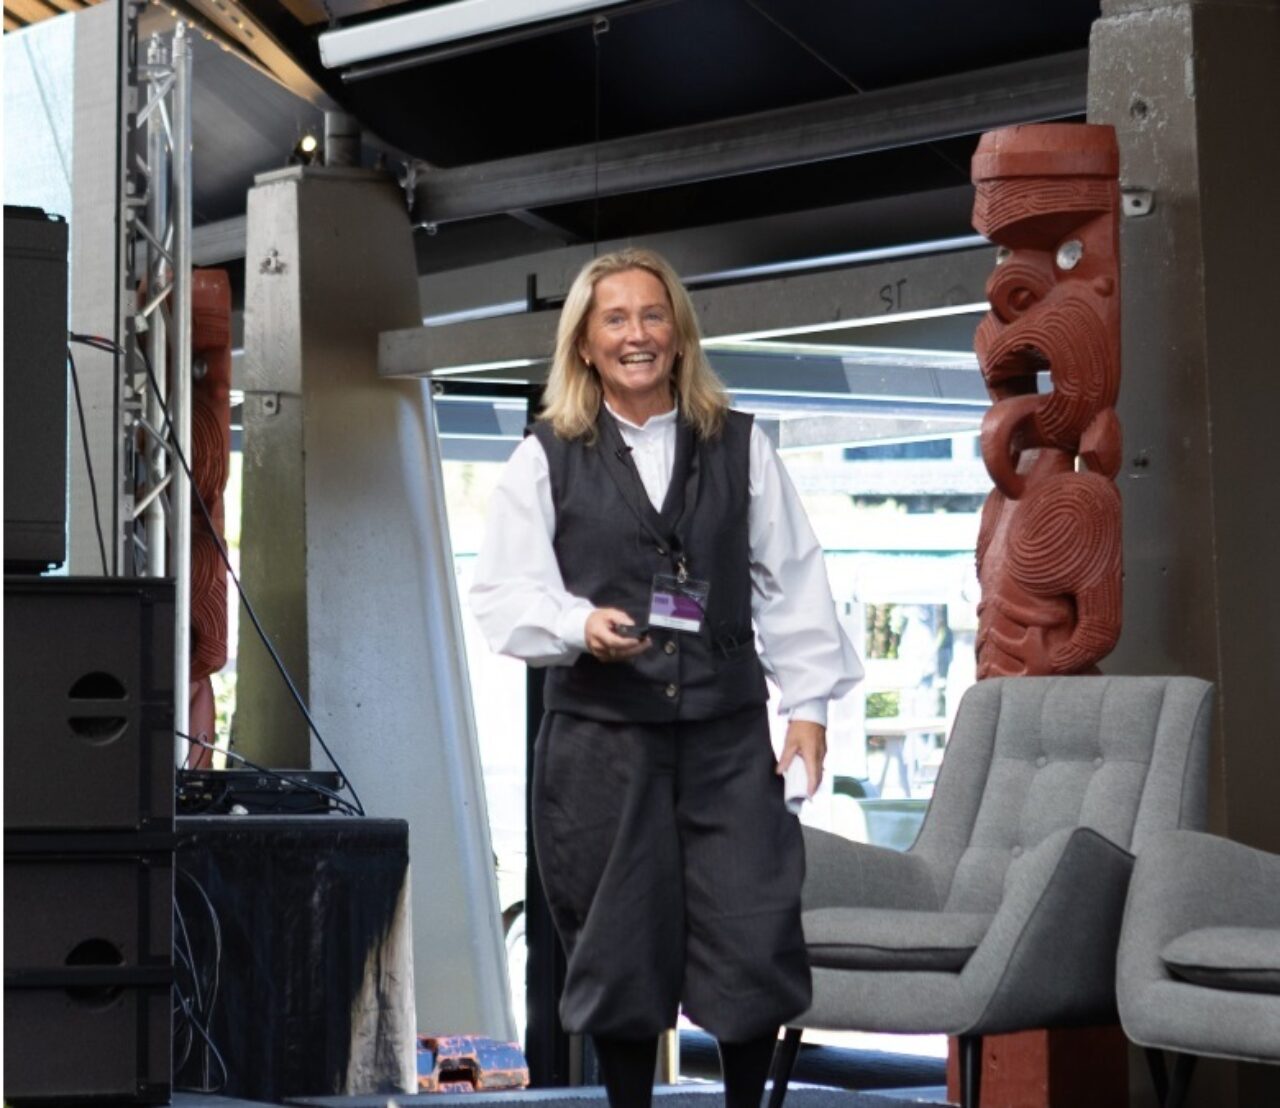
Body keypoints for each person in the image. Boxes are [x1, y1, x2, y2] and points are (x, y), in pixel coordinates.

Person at [470, 247, 862, 1108]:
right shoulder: (546, 456)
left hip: (726, 736)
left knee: (753, 931)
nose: (637, 335)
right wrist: (578, 624)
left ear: (679, 339)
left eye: (653, 317)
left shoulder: (742, 446)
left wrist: (809, 712)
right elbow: (502, 593)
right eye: (616, 319)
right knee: (619, 944)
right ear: (584, 344)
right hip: (602, 743)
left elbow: (792, 579)